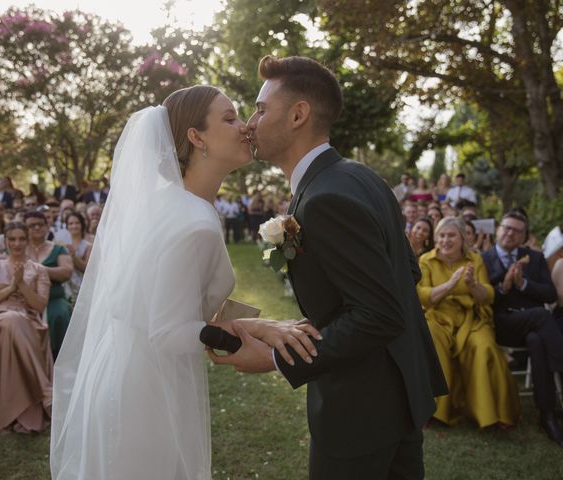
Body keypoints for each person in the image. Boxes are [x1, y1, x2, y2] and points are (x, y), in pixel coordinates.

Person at [50, 86, 313, 480]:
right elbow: (170, 332)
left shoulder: (171, 205)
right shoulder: (193, 220)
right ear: (196, 137)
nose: (245, 128)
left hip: (126, 371)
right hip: (148, 392)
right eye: (229, 118)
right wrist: (254, 329)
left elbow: (154, 303)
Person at [209, 55, 447, 479]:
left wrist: (276, 359)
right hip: (397, 397)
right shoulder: (360, 177)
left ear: (299, 114)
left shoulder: (324, 199)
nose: (250, 122)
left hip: (361, 412)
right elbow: (402, 275)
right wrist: (314, 322)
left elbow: (379, 313)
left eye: (261, 109)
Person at [418, 217, 519, 428]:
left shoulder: (475, 260)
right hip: (438, 317)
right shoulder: (426, 260)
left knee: (484, 346)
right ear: (436, 238)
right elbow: (422, 295)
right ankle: (433, 411)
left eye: (451, 235)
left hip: (469, 318)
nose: (446, 240)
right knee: (432, 340)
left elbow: (488, 295)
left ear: (462, 238)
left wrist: (473, 285)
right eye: (442, 235)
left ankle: (493, 413)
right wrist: (450, 285)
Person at [482, 212, 563, 446]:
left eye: (517, 230)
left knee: (537, 341)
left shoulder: (535, 258)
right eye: (507, 228)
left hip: (533, 326)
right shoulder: (482, 259)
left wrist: (523, 284)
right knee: (541, 314)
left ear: (523, 236)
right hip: (502, 324)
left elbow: (550, 294)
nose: (511, 233)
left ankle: (547, 415)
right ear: (498, 229)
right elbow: (483, 298)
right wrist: (505, 287)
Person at [0, 221, 51, 433]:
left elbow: (39, 305)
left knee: (15, 325)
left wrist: (23, 286)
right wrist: (10, 288)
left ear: (28, 241)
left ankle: (14, 415)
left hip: (28, 322)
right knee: (11, 320)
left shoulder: (39, 270)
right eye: (12, 239)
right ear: (5, 241)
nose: (17, 244)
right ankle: (45, 390)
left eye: (21, 239)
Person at [24, 211, 73, 359]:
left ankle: (58, 358)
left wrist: (40, 269)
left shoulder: (58, 249)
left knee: (58, 314)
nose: (37, 228)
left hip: (53, 298)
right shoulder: (19, 248)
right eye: (32, 225)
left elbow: (66, 272)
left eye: (41, 224)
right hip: (26, 299)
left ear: (47, 227)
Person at [64, 212, 92, 305]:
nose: (74, 226)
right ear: (67, 226)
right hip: (66, 285)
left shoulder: (88, 246)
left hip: (82, 286)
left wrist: (73, 256)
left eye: (77, 223)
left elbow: (87, 269)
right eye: (71, 224)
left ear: (82, 225)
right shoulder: (61, 244)